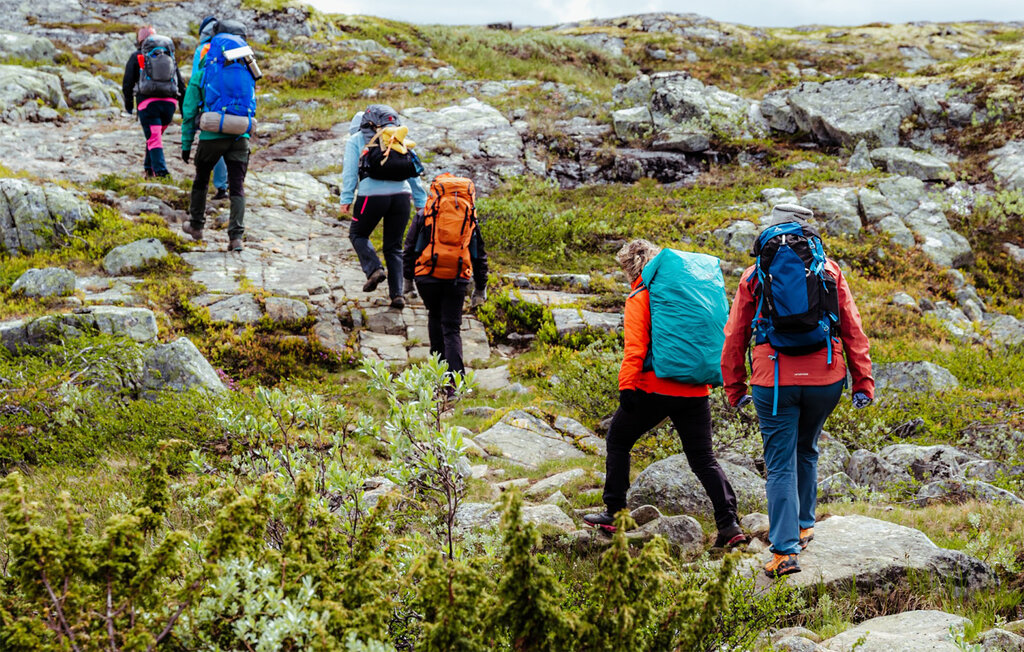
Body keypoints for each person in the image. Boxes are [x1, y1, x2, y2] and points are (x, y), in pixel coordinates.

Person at [721, 204, 874, 579]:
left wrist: (734, 386)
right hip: (826, 377)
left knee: (779, 464)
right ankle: (805, 526)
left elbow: (735, 335)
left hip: (773, 381)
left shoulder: (755, 275)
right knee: (807, 448)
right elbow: (852, 328)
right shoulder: (828, 270)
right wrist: (863, 381)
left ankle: (785, 551)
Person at [583, 239, 748, 549]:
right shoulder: (687, 293)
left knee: (618, 439)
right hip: (695, 390)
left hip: (654, 388)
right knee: (704, 459)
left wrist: (626, 385)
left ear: (630, 267)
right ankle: (729, 525)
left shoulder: (642, 294)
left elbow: (635, 347)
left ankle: (614, 513)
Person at [339, 106, 427, 308]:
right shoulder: (396, 138)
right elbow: (412, 171)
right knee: (394, 247)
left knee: (358, 234)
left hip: (371, 197)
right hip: (402, 196)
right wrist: (420, 202)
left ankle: (374, 270)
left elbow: (350, 172)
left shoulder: (356, 140)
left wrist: (346, 198)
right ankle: (397, 296)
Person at [402, 173, 488, 377]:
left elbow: (409, 248)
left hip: (426, 276)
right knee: (451, 329)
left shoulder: (425, 214)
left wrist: (407, 281)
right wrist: (480, 287)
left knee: (434, 315)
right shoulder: (469, 216)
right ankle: (455, 383)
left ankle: (438, 376)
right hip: (457, 276)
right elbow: (479, 254)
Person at [180, 19, 254, 252]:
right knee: (237, 186)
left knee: (201, 178)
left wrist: (186, 144)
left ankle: (196, 226)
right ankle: (236, 237)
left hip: (212, 135)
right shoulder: (247, 71)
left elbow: (189, 111)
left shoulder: (204, 71)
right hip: (240, 134)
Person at [122, 26, 185, 178]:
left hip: (148, 104)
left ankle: (162, 173)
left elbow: (127, 83)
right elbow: (181, 85)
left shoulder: (137, 56)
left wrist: (129, 106)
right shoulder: (169, 56)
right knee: (154, 136)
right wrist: (183, 109)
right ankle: (149, 168)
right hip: (170, 104)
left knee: (153, 138)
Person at [192, 15, 228, 201]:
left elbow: (196, 78)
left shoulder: (203, 50)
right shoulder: (231, 46)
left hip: (212, 104)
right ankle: (231, 185)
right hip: (234, 103)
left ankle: (219, 187)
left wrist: (195, 107)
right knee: (232, 141)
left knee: (214, 143)